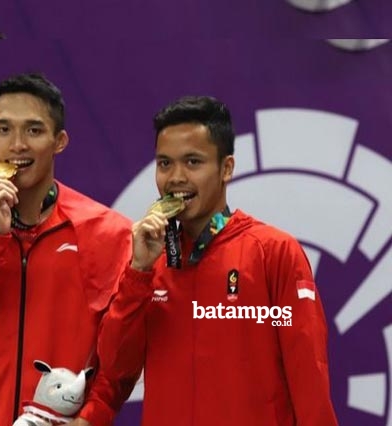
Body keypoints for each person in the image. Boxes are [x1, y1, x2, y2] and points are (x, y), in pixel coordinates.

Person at [96, 96, 339, 425]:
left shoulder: (274, 252)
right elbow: (115, 368)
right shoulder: (148, 261)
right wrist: (138, 272)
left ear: (226, 168)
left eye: (193, 162)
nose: (176, 177)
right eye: (165, 163)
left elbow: (309, 375)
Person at [0, 72, 135, 425]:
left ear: (59, 141)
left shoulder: (109, 233)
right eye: (4, 130)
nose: (18, 144)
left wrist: (91, 418)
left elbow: (120, 357)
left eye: (34, 130)